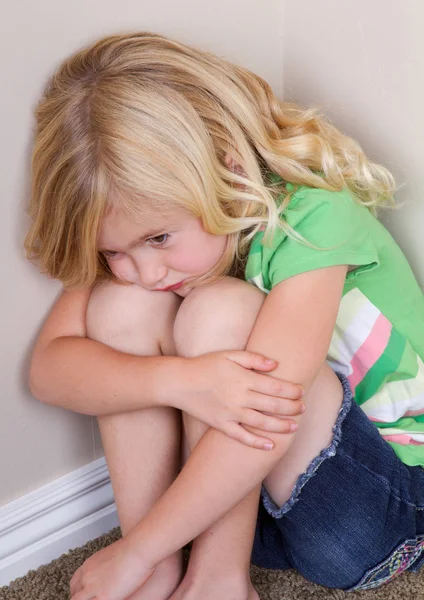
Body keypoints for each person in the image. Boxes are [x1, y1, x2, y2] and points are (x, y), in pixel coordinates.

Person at [25, 32, 424, 600]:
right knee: (120, 303)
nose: (147, 270)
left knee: (217, 309)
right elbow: (50, 369)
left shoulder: (317, 216)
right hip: (239, 505)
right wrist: (183, 381)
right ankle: (165, 569)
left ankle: (216, 580)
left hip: (373, 513)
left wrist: (133, 551)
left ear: (228, 171)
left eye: (159, 238)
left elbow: (267, 409)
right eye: (114, 250)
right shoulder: (144, 237)